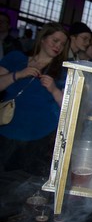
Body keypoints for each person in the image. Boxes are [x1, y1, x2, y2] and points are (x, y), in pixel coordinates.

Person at [0, 22, 69, 176]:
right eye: (55, 40)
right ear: (43, 38)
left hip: (40, 136)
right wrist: (17, 75)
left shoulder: (62, 71)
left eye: (63, 44)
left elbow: (68, 106)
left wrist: (53, 89)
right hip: (7, 130)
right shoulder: (16, 58)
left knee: (27, 185)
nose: (58, 46)